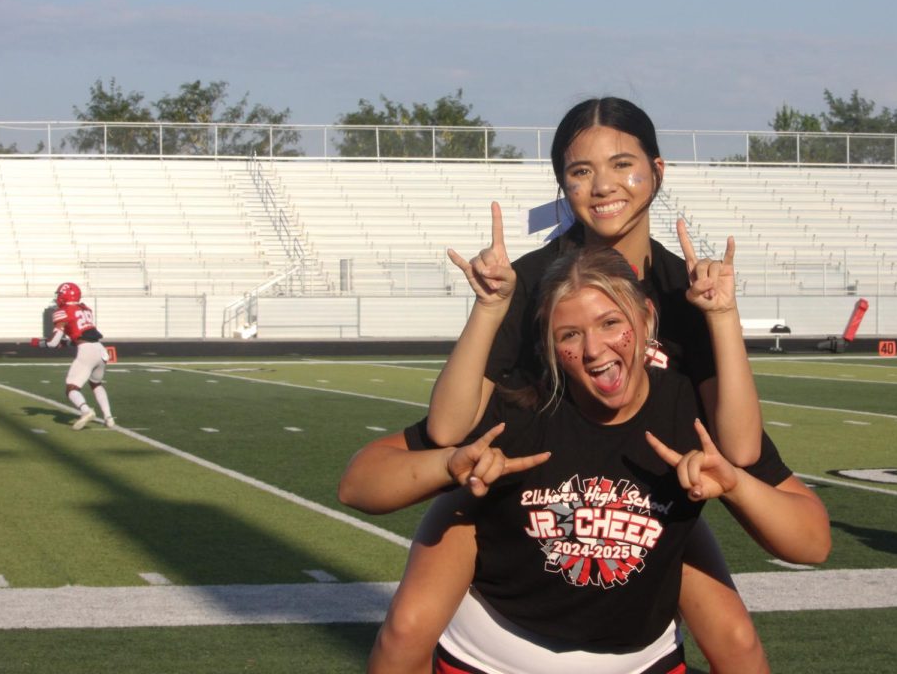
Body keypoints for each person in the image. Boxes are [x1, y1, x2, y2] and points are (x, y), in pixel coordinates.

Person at [339, 96, 819, 673]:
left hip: (641, 498)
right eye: (580, 170)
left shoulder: (685, 292)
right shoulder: (532, 282)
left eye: (622, 164)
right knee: (408, 627)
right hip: (525, 494)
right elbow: (447, 430)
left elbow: (742, 454)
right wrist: (490, 311)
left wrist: (721, 318)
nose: (602, 185)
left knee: (737, 640)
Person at [30, 281, 116, 430]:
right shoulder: (85, 309)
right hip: (100, 349)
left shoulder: (63, 312)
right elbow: (82, 334)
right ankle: (108, 417)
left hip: (87, 351)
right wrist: (67, 343)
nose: (58, 298)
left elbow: (52, 343)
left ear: (64, 295)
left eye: (60, 295)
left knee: (71, 388)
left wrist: (39, 343)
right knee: (96, 384)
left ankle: (86, 411)